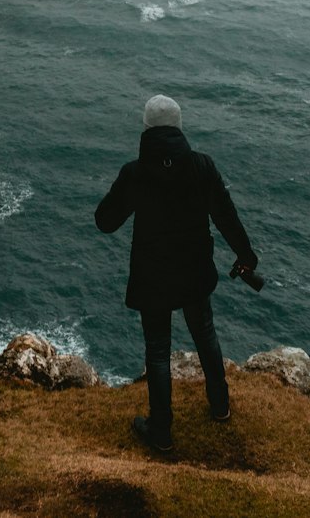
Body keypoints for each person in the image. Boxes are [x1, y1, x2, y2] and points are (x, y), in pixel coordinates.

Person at [94, 93, 259, 453]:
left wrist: (121, 192)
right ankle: (220, 406)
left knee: (157, 351)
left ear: (146, 129)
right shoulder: (202, 167)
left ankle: (162, 432)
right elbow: (226, 217)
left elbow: (105, 222)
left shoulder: (135, 173)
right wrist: (246, 255)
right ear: (180, 127)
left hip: (153, 278)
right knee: (205, 335)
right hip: (195, 271)